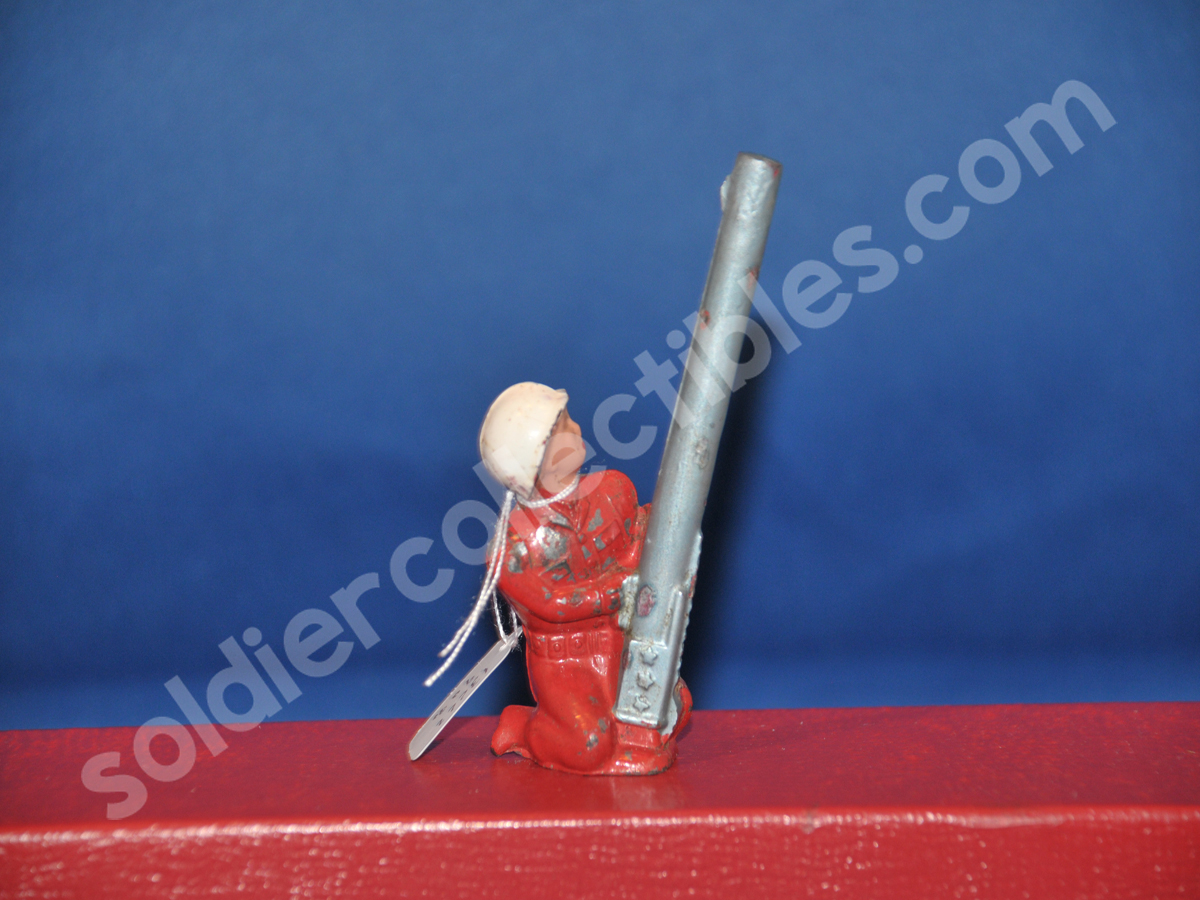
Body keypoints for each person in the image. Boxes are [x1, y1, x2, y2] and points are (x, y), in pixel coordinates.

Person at [477, 382, 691, 775]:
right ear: (534, 459)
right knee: (587, 745)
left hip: (622, 639)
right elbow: (551, 605)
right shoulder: (514, 549)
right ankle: (525, 727)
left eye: (569, 419)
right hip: (565, 663)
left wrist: (672, 521)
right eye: (562, 428)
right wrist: (617, 588)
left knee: (672, 710)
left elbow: (636, 540)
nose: (576, 428)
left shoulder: (614, 489)